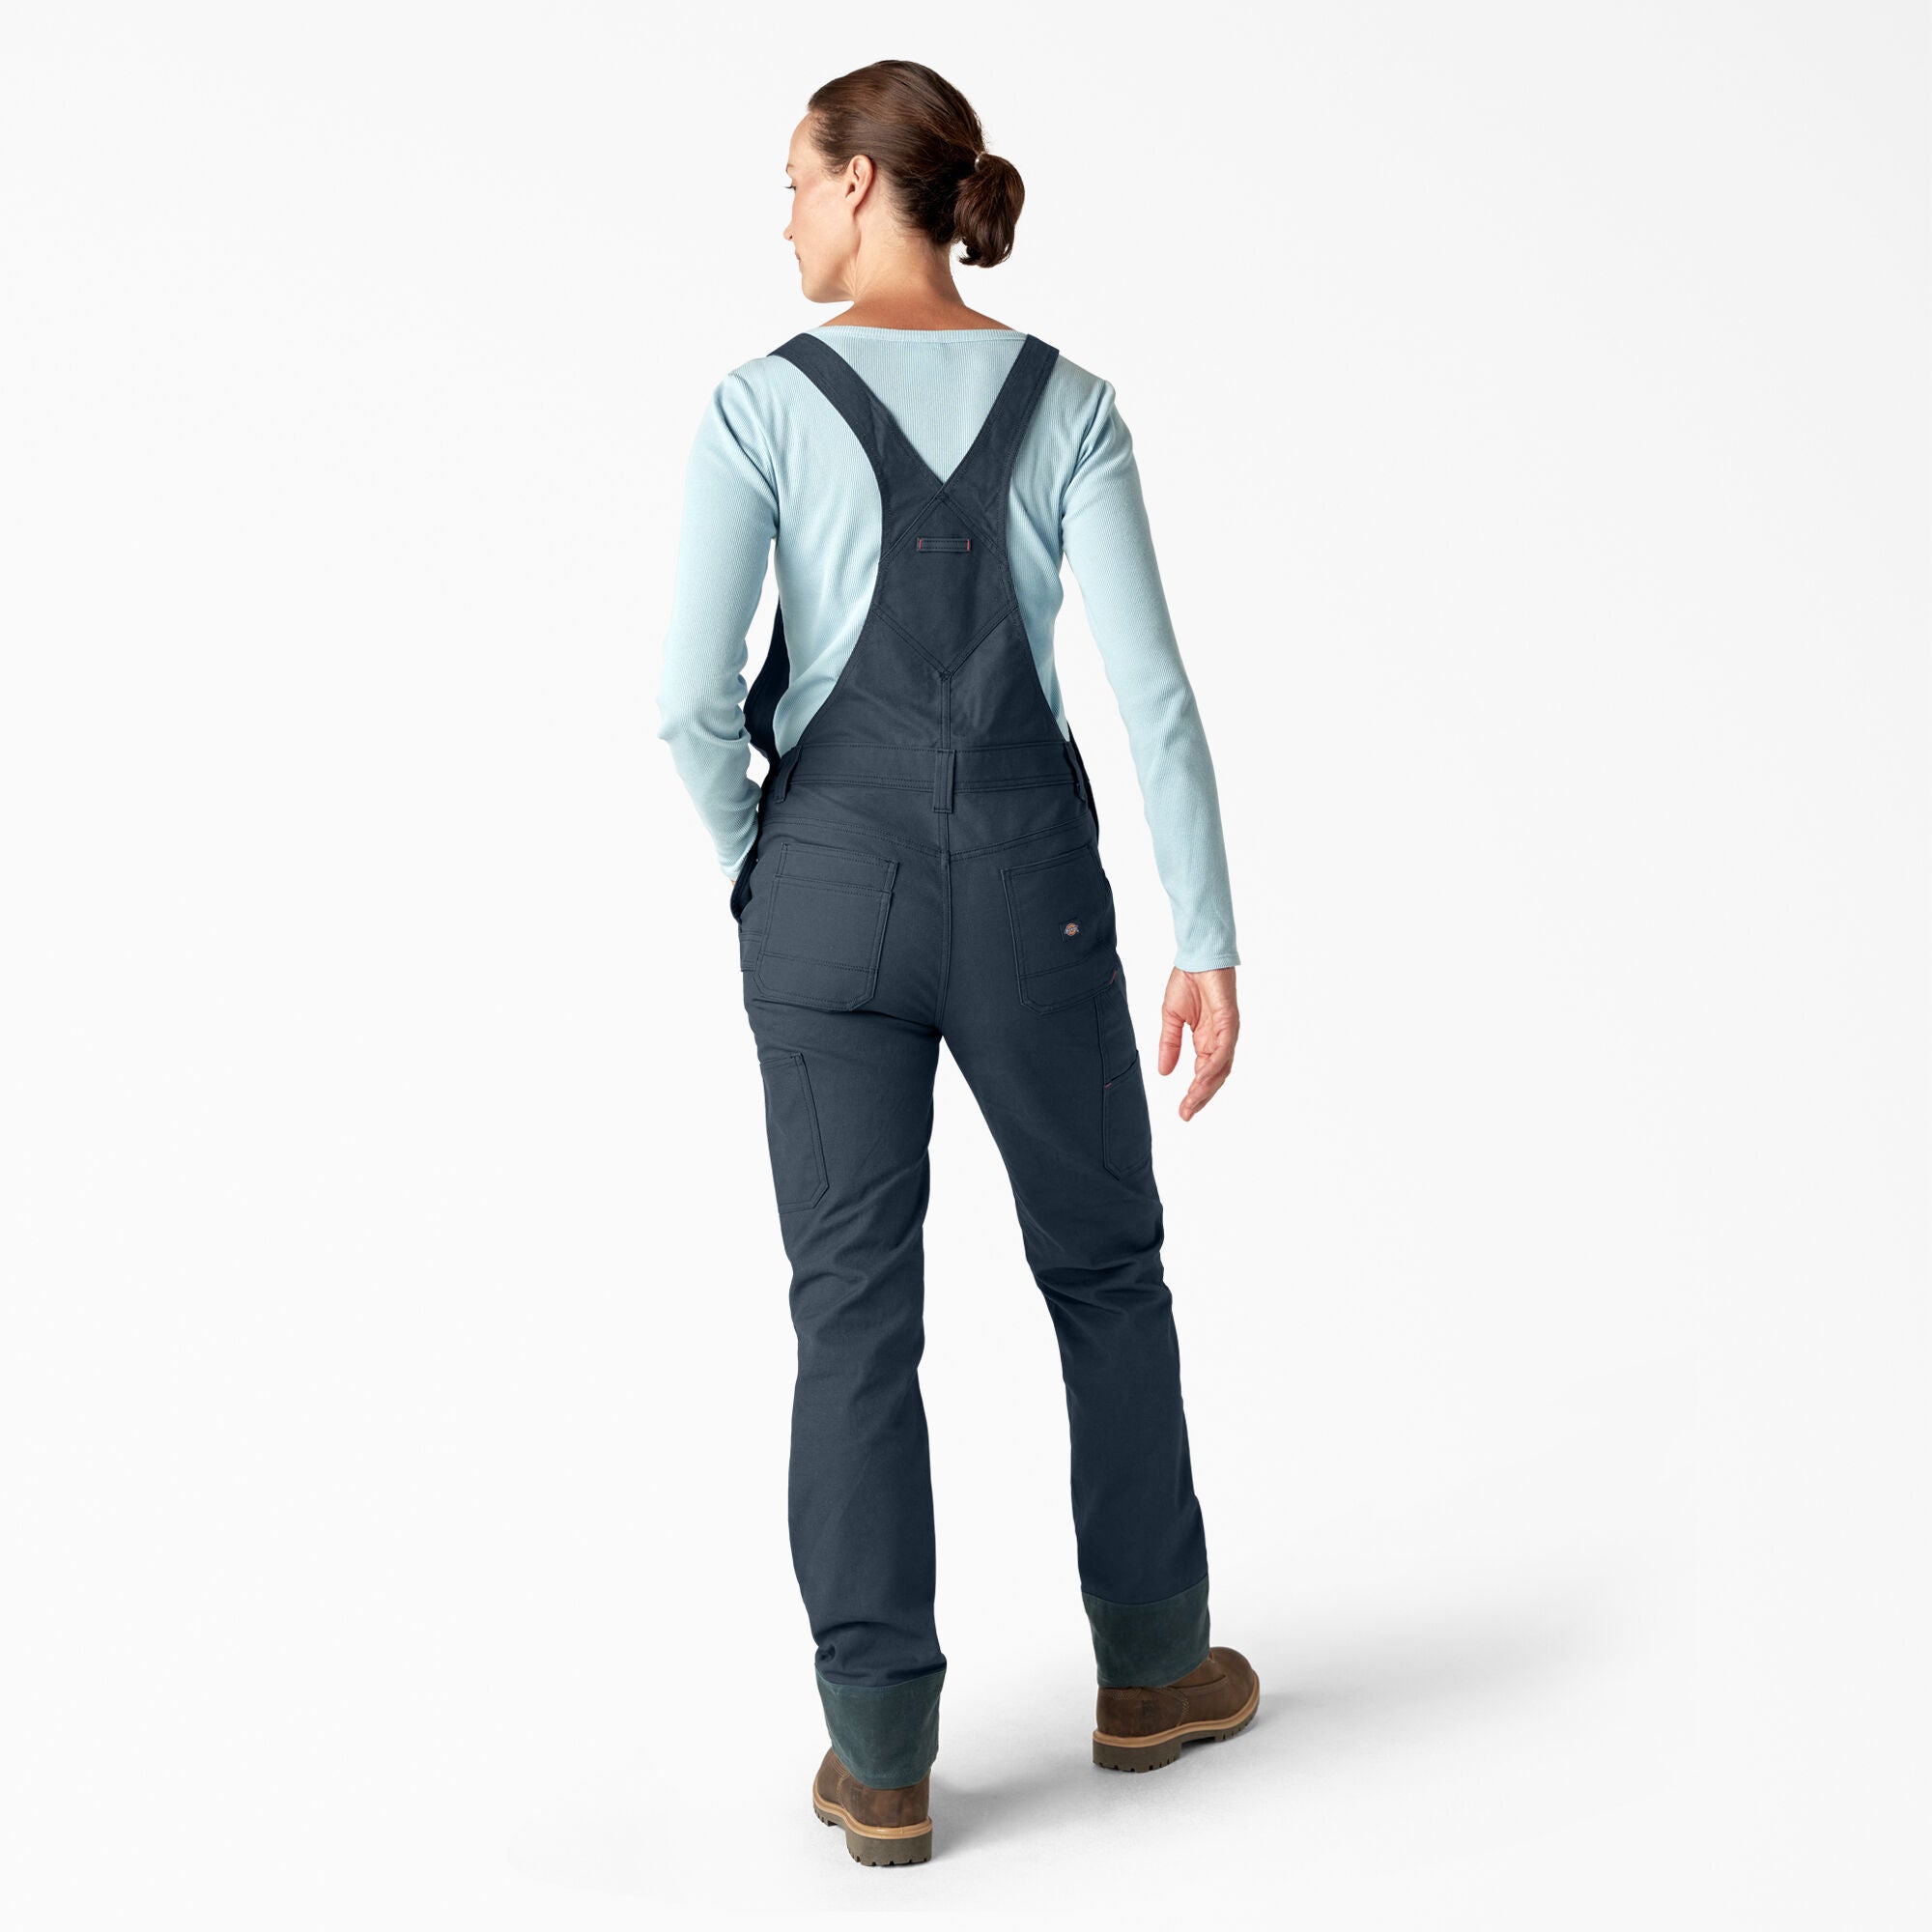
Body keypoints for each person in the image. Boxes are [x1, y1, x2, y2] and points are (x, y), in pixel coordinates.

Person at [655, 59, 1257, 1866]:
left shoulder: (758, 407)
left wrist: (765, 866)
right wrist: (1208, 936)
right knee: (1106, 1271)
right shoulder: (1073, 407)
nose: (781, 216)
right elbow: (1152, 695)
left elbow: (686, 704)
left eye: (794, 178)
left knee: (851, 1311)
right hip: (1032, 896)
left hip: (823, 900)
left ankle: (883, 1758)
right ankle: (1152, 1672)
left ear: (861, 184)